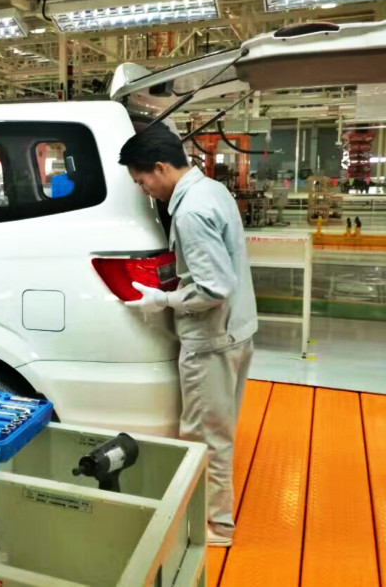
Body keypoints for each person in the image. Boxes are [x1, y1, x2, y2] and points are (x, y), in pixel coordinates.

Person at [118, 123, 257, 547]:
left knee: (205, 437)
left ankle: (215, 526)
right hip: (236, 330)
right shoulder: (212, 190)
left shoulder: (190, 210)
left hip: (211, 339)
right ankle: (217, 517)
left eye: (142, 180)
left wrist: (165, 300)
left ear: (161, 167)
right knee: (220, 431)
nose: (143, 189)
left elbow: (213, 288)